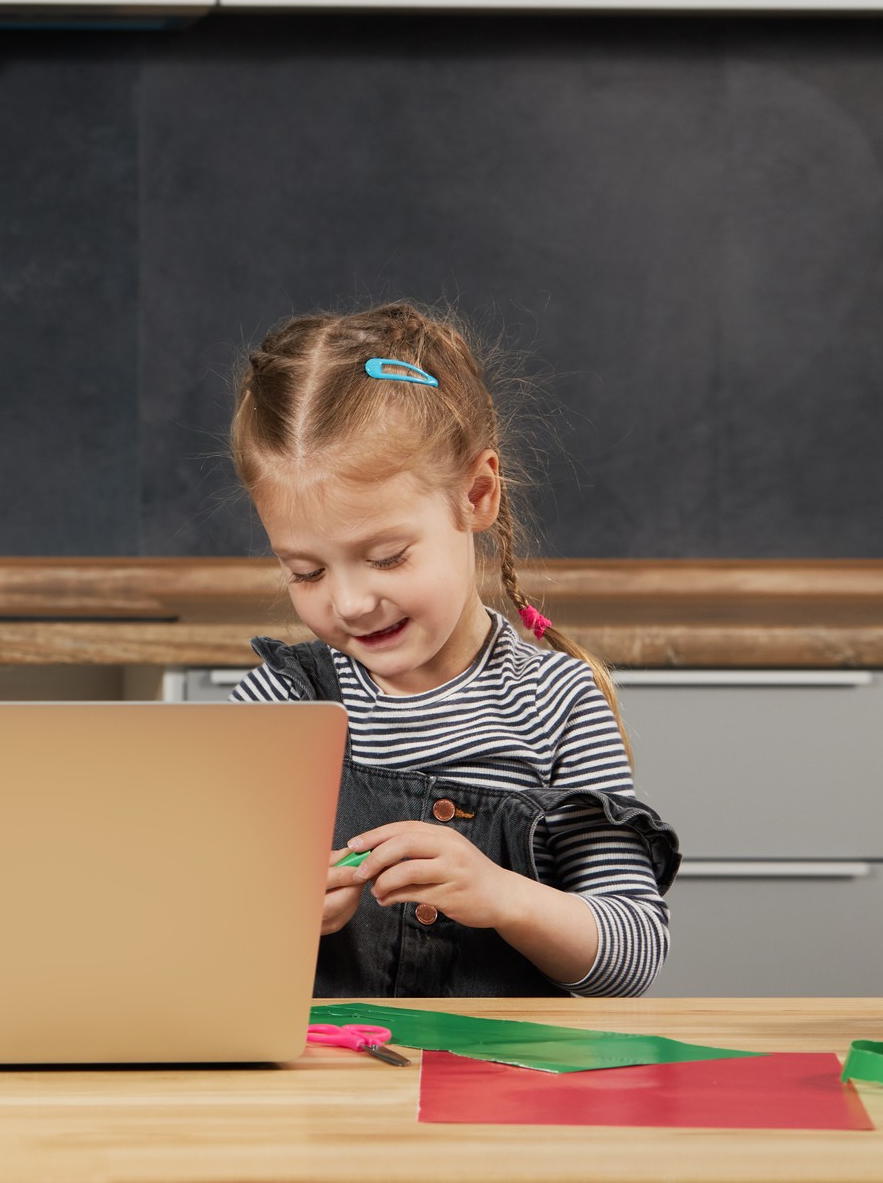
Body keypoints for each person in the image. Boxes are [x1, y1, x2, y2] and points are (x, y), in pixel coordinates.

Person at [227, 302, 678, 997]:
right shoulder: (280, 701)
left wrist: (504, 896)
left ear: (477, 494)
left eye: (386, 556)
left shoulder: (555, 702)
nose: (348, 602)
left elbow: (634, 949)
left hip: (504, 1094)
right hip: (324, 1095)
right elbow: (190, 917)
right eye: (306, 572)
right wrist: (266, 912)